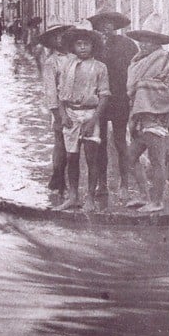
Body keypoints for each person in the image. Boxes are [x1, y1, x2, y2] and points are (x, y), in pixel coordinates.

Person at [125, 14, 169, 213]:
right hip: (140, 117)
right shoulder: (137, 60)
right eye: (142, 39)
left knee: (157, 160)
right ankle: (144, 195)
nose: (144, 44)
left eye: (149, 40)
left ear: (157, 42)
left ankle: (157, 202)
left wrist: (143, 87)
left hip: (157, 116)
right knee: (130, 158)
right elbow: (132, 87)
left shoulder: (165, 59)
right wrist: (140, 90)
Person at [53, 28, 111, 210]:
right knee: (71, 157)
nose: (83, 47)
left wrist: (93, 121)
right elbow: (61, 94)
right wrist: (63, 115)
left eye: (87, 44)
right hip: (71, 114)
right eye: (79, 44)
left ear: (93, 46)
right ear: (73, 46)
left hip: (89, 114)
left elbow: (104, 96)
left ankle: (90, 198)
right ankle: (72, 196)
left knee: (91, 158)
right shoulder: (67, 66)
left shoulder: (100, 67)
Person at [87, 0, 137, 205]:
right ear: (97, 25)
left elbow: (135, 71)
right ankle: (102, 183)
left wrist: (132, 96)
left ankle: (124, 183)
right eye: (102, 22)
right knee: (99, 143)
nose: (106, 26)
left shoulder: (127, 45)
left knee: (120, 141)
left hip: (120, 99)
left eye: (110, 22)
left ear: (116, 24)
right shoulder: (93, 46)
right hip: (99, 101)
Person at [38, 24, 74, 195]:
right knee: (60, 143)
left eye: (62, 35)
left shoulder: (75, 56)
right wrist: (56, 114)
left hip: (77, 106)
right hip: (60, 108)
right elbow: (51, 91)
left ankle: (69, 181)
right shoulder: (51, 62)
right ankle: (58, 177)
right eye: (55, 36)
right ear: (51, 41)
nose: (60, 39)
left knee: (74, 146)